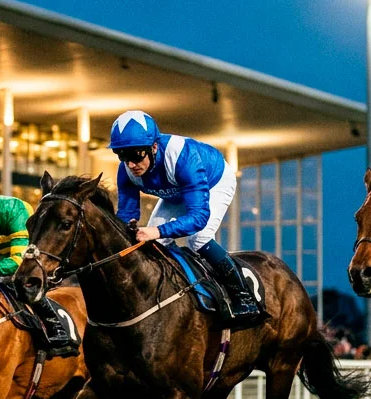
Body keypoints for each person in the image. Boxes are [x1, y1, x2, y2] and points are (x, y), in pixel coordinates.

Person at [110, 110, 263, 324]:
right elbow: (127, 215)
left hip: (214, 182)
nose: (131, 164)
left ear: (154, 147)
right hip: (176, 191)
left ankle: (242, 295)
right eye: (123, 156)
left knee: (198, 239)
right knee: (153, 245)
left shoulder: (183, 157)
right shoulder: (125, 171)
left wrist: (157, 231)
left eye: (136, 155)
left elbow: (199, 217)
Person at [0, 173, 77, 354]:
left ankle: (57, 328)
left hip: (31, 251)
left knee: (23, 281)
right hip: (2, 251)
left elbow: (16, 262)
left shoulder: (14, 211)